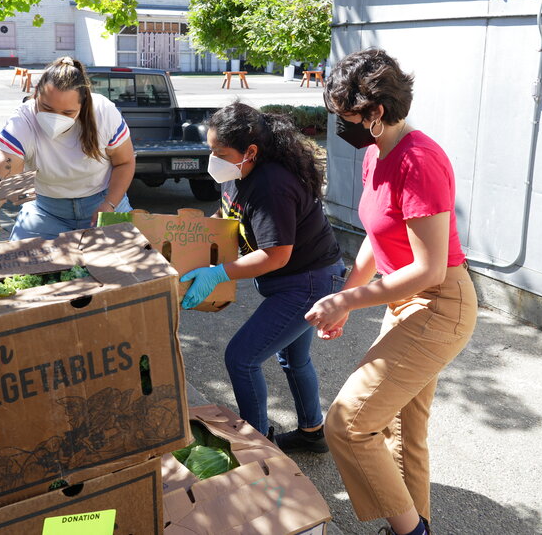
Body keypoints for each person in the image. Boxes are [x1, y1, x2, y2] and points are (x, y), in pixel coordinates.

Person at [304, 49, 477, 535]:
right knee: (404, 428)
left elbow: (427, 269)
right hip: (404, 302)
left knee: (348, 425)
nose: (341, 124)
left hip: (439, 304)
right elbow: (377, 244)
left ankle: (410, 531)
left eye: (347, 114)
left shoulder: (419, 160)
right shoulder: (376, 155)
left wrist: (348, 301)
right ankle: (412, 527)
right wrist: (346, 296)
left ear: (376, 112)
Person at [180, 101, 345, 451]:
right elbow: (228, 217)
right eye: (211, 150)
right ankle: (313, 433)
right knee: (293, 357)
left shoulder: (272, 184)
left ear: (250, 151)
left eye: (220, 152)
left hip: (309, 281)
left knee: (241, 357)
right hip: (295, 277)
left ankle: (257, 444)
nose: (214, 160)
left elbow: (276, 254)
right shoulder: (237, 173)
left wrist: (219, 273)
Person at [0, 56, 134, 239]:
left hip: (104, 202)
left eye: (67, 113)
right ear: (35, 96)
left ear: (83, 105)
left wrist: (110, 204)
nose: (55, 118)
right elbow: (5, 175)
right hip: (44, 209)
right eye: (47, 108)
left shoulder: (103, 113)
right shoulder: (21, 121)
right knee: (18, 264)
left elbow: (125, 162)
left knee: (128, 264)